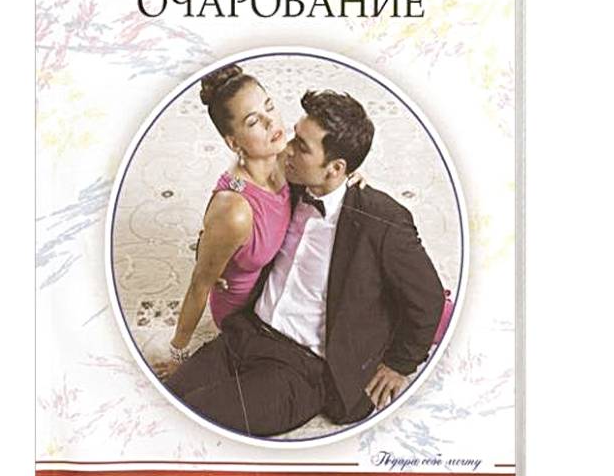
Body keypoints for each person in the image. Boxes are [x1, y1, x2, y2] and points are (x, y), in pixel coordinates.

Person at [165, 89, 445, 437]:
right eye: (294, 136)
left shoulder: (382, 221)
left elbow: (428, 297)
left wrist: (400, 364)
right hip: (246, 332)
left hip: (300, 369)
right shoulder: (288, 184)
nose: (287, 149)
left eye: (302, 146)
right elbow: (231, 207)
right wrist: (215, 257)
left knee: (191, 422)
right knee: (166, 400)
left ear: (336, 169)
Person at [157, 64, 291, 376]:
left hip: (277, 285)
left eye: (270, 106)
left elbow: (327, 160)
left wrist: (353, 176)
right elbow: (199, 285)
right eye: (253, 121)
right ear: (233, 143)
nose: (271, 121)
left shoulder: (285, 156)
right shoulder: (235, 211)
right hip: (246, 314)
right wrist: (178, 353)